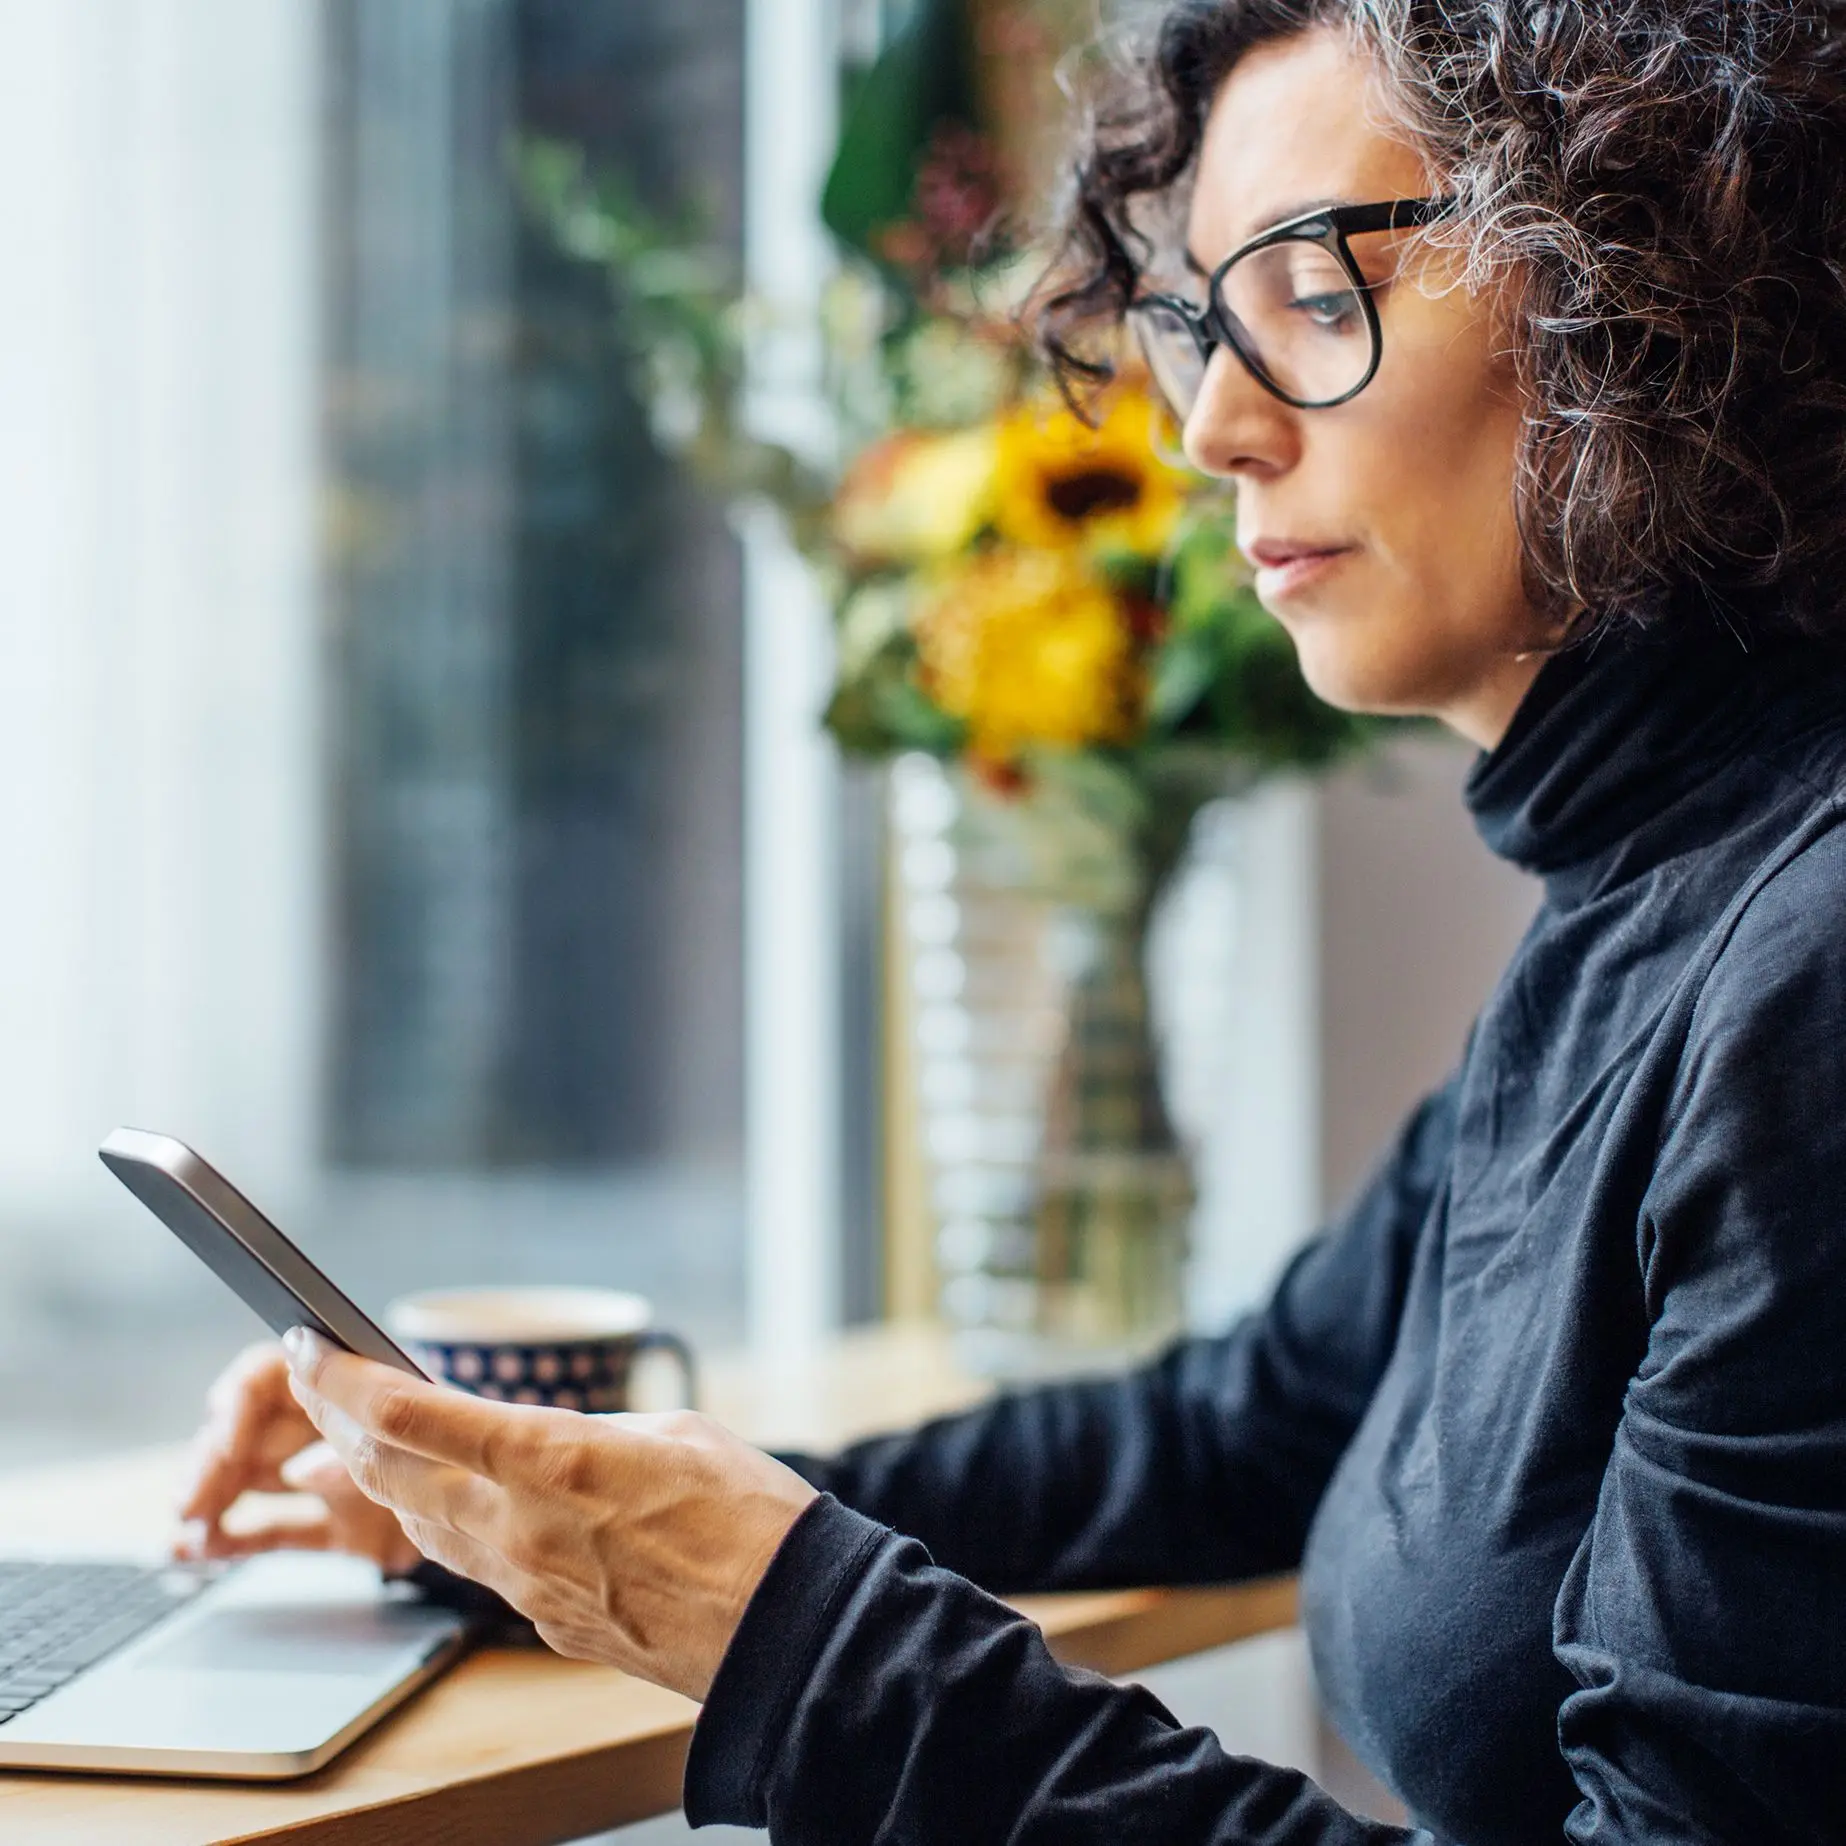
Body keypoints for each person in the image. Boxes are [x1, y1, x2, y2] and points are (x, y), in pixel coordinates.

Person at [176, 3, 1846, 1840]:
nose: (1210, 424)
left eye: (1306, 289)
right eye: (1204, 315)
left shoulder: (1803, 971)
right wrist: (572, 1520)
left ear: (1641, 286)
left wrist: (788, 1629)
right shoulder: (1644, 906)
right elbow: (1246, 1425)